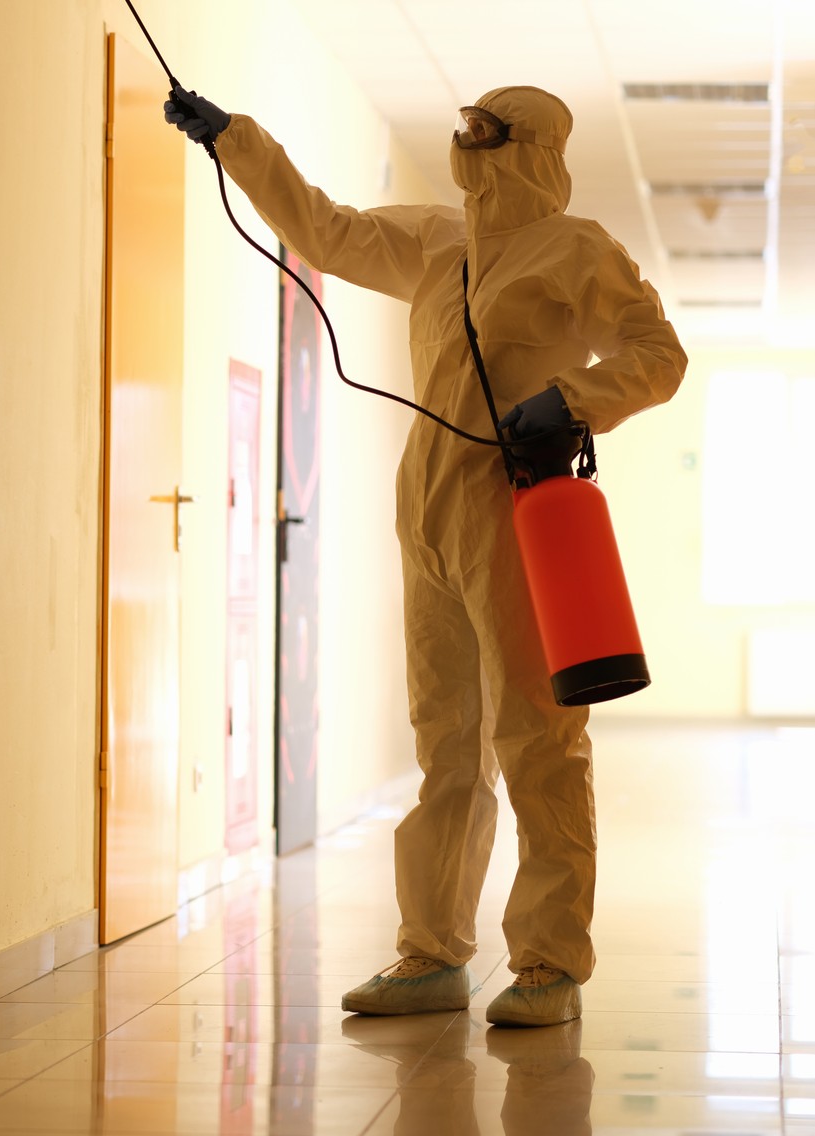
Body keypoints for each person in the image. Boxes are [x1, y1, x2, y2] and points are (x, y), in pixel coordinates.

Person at [165, 85, 687, 1027]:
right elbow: (325, 230)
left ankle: (550, 966)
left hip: (514, 516)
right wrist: (235, 141)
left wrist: (573, 400)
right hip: (427, 515)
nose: (469, 142)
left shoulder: (577, 250)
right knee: (444, 743)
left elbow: (659, 353)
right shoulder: (437, 242)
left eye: (491, 131)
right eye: (466, 127)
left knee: (538, 739)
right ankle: (432, 953)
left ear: (535, 147)